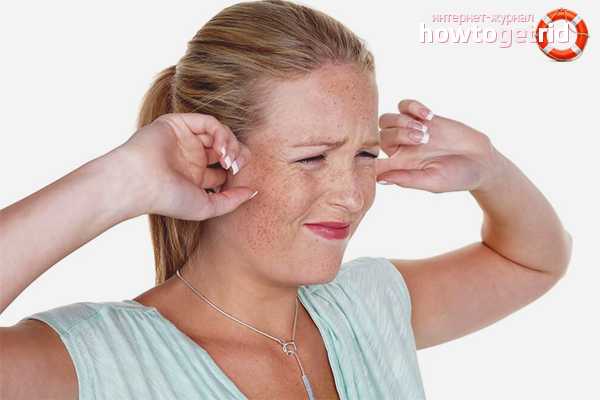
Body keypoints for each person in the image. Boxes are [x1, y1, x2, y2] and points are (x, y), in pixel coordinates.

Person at [0, 0, 572, 399]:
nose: (351, 195)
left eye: (365, 154)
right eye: (312, 158)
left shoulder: (366, 308)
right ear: (213, 157)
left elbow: (536, 260)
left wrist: (492, 170)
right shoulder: (93, 364)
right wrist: (117, 181)